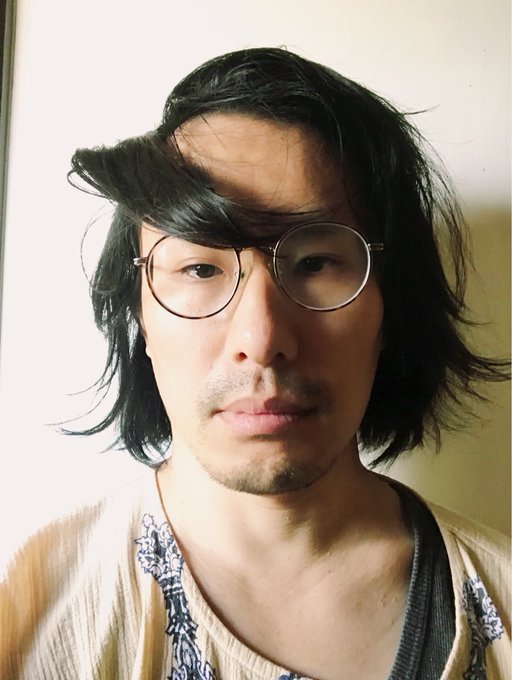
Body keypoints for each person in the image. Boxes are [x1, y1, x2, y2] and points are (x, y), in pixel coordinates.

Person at [0, 47, 509, 680]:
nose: (262, 339)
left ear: (391, 305)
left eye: (316, 263)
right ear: (140, 316)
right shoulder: (29, 615)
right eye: (200, 268)